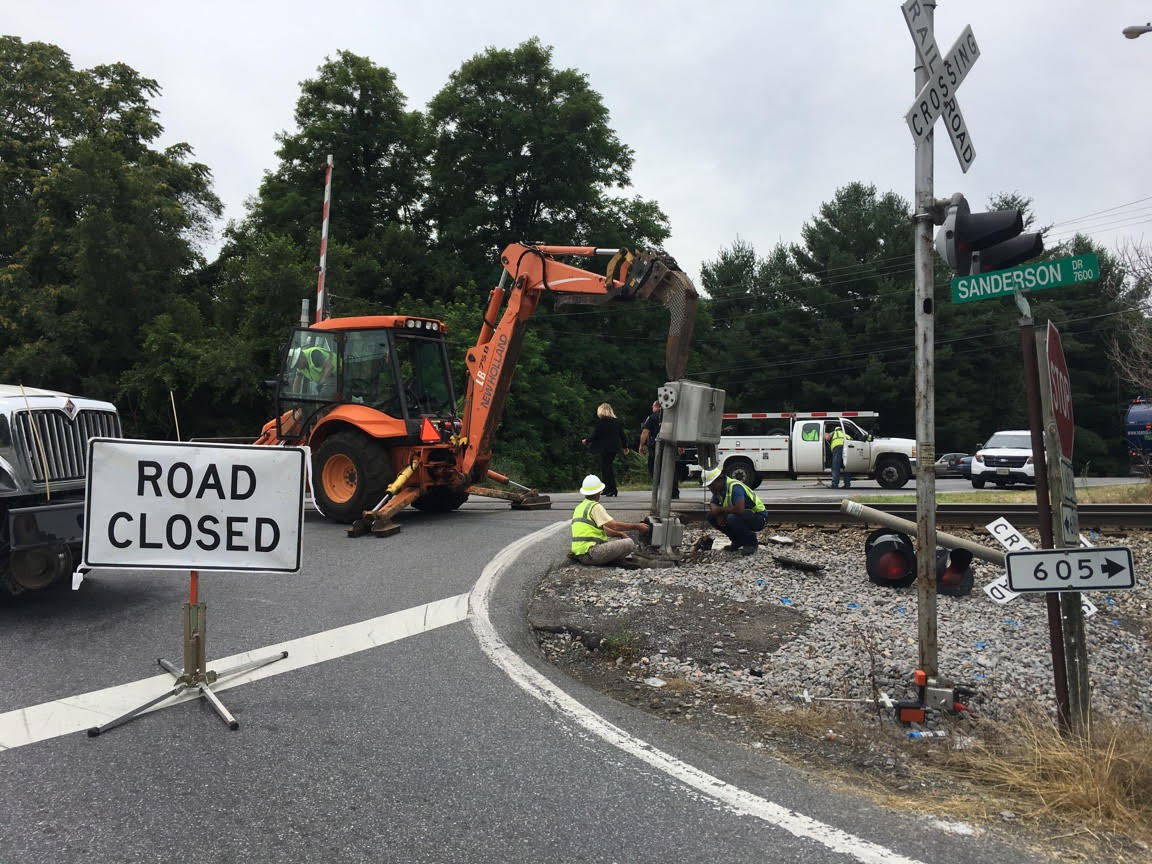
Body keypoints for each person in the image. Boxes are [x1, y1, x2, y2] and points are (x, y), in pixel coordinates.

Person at [570, 474, 651, 565]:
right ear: (599, 492)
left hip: (580, 554)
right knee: (629, 543)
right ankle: (615, 562)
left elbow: (603, 528)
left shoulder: (579, 507)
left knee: (615, 540)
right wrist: (637, 526)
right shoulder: (595, 506)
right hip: (592, 554)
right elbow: (614, 526)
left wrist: (619, 534)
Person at [702, 465, 767, 556]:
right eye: (709, 487)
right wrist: (718, 513)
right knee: (711, 517)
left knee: (732, 518)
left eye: (712, 485)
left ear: (719, 479)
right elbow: (713, 505)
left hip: (759, 517)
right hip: (742, 516)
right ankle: (737, 541)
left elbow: (739, 509)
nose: (711, 489)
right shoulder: (718, 490)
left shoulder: (734, 487)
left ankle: (751, 543)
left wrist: (720, 511)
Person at [581, 402, 629, 497]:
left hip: (604, 448)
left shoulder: (601, 422)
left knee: (606, 468)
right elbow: (622, 436)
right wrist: (625, 447)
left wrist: (587, 440)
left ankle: (611, 488)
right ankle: (610, 488)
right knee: (607, 467)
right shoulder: (617, 422)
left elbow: (595, 435)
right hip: (614, 448)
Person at [638, 400, 680, 499]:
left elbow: (645, 432)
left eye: (653, 406)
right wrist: (680, 446)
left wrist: (641, 445)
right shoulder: (672, 417)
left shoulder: (652, 417)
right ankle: (674, 493)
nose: (652, 408)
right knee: (671, 469)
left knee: (654, 468)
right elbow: (677, 432)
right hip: (671, 446)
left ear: (656, 406)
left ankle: (662, 491)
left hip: (656, 447)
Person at [825, 424, 852, 489]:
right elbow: (851, 439)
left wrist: (824, 434)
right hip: (845, 450)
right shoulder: (844, 434)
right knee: (846, 467)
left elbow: (827, 437)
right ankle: (847, 485)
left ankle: (835, 484)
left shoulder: (834, 433)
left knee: (835, 467)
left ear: (836, 429)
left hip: (837, 449)